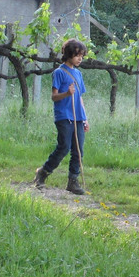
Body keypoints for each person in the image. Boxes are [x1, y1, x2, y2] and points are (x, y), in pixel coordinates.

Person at [34, 39, 90, 195]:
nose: (80, 58)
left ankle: (73, 181)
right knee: (64, 146)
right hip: (64, 116)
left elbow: (79, 98)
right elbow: (54, 96)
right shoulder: (59, 72)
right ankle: (43, 172)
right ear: (68, 54)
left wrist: (85, 118)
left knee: (78, 151)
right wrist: (67, 93)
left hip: (78, 116)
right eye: (77, 55)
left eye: (82, 56)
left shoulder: (78, 73)